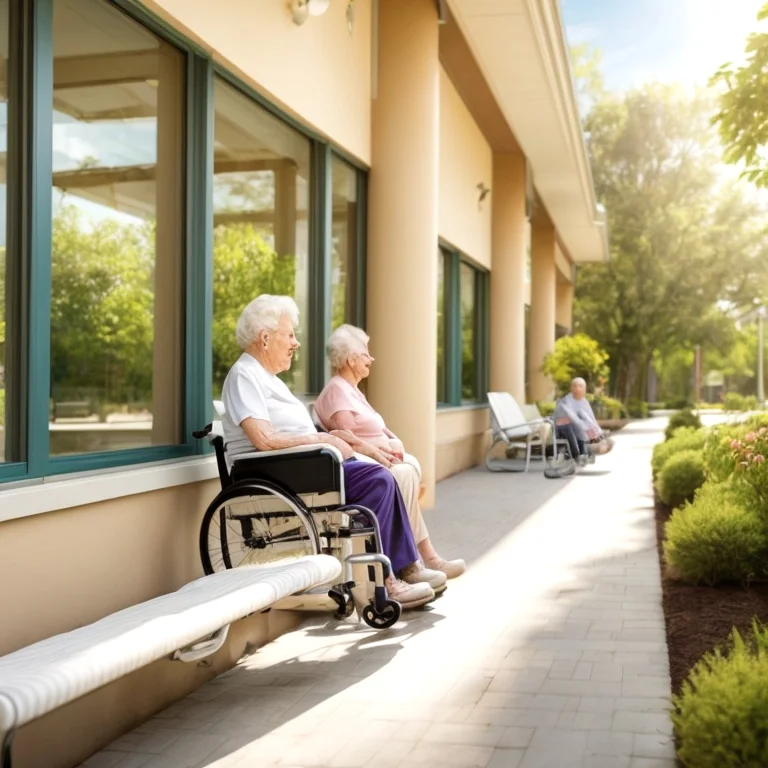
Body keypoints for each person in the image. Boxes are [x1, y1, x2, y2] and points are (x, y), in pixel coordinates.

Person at [220, 295, 446, 610]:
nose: (295, 343)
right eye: (290, 335)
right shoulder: (244, 375)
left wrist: (328, 438)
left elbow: (285, 435)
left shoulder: (267, 378)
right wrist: (322, 443)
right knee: (379, 480)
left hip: (302, 467)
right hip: (282, 475)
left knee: (384, 477)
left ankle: (405, 569)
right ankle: (391, 581)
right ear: (265, 338)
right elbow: (264, 440)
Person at [314, 324, 465, 581]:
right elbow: (348, 438)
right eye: (365, 353)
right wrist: (381, 454)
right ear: (351, 359)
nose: (371, 359)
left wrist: (394, 442)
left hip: (376, 459)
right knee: (403, 475)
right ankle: (413, 563)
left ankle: (420, 559)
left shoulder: (352, 391)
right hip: (361, 465)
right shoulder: (337, 391)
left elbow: (377, 427)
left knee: (409, 469)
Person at [553, 377, 602, 466]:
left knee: (583, 426)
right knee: (570, 425)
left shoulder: (584, 402)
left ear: (585, 389)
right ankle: (577, 455)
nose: (577, 389)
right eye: (575, 386)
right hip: (562, 428)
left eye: (580, 386)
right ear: (571, 388)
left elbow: (591, 418)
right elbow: (570, 418)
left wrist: (597, 432)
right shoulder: (565, 401)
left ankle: (584, 454)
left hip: (577, 429)